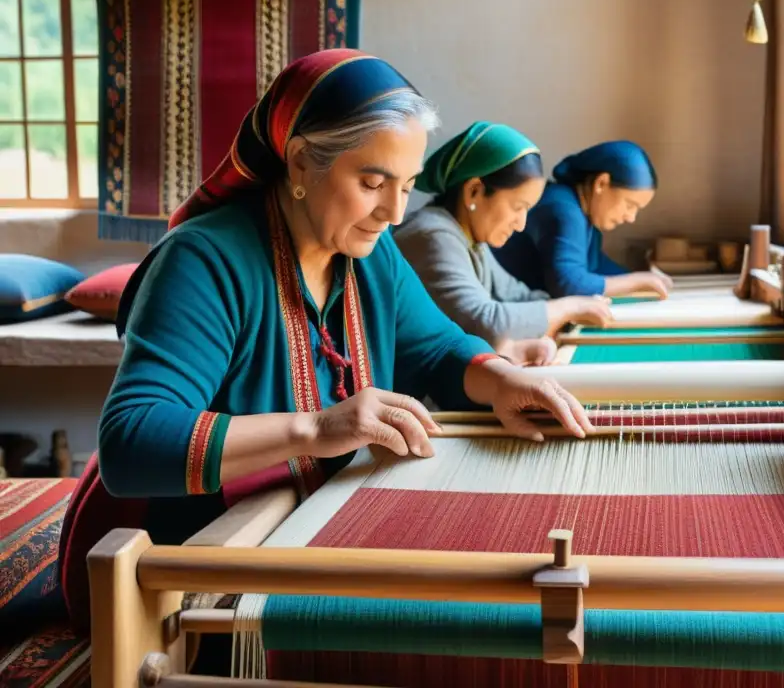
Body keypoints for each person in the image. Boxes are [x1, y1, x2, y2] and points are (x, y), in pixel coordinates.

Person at [57, 49, 594, 635]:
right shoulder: (203, 261)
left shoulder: (370, 251)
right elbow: (130, 442)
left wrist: (503, 380)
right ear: (301, 162)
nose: (393, 211)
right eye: (372, 183)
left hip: (314, 527)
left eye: (408, 186)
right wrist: (318, 427)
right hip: (196, 569)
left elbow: (434, 349)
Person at [394, 122, 613, 366]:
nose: (520, 224)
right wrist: (570, 307)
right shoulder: (431, 234)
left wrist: (577, 309)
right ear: (474, 192)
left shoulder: (469, 235)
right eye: (518, 207)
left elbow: (516, 295)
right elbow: (487, 322)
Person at [493, 141, 673, 299]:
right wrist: (638, 281)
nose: (631, 217)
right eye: (629, 204)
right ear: (601, 183)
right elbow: (568, 284)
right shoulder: (564, 210)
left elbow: (596, 266)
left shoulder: (581, 211)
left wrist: (646, 279)